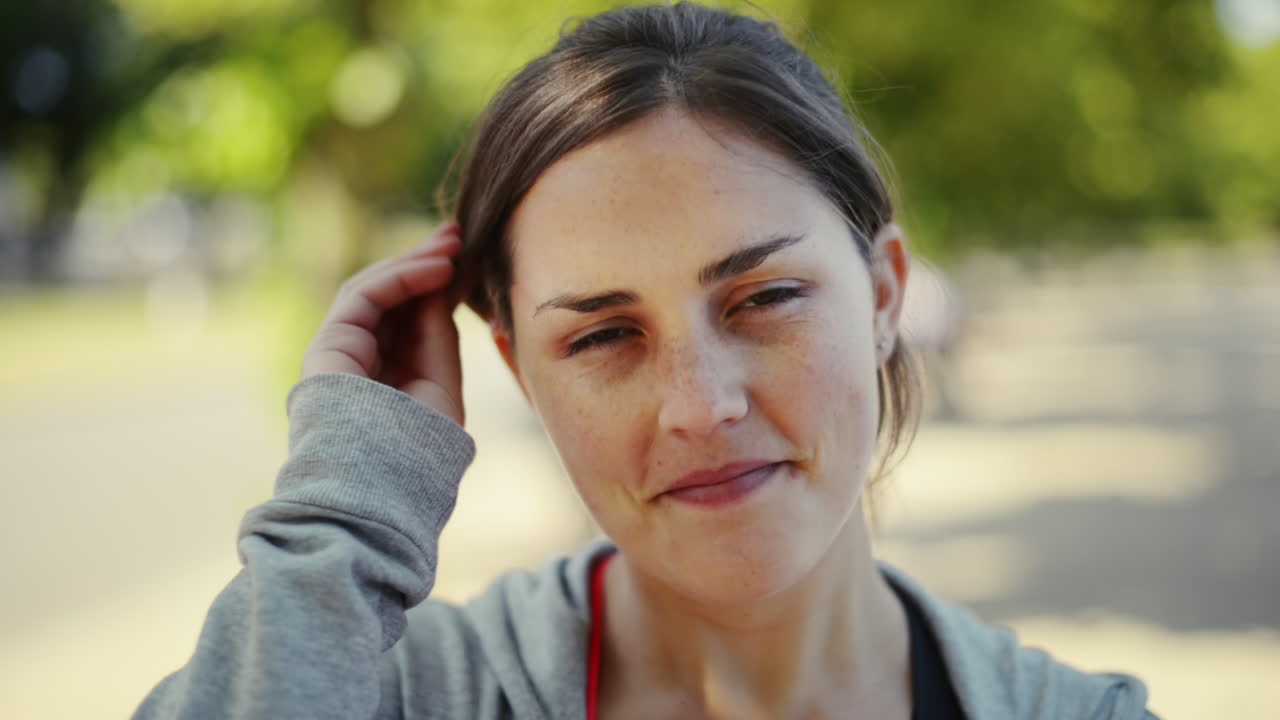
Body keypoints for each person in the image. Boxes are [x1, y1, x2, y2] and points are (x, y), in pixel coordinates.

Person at [133, 3, 1156, 718]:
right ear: (519, 370)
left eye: (765, 299)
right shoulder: (400, 694)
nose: (699, 407)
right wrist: (350, 507)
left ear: (884, 295)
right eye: (601, 336)